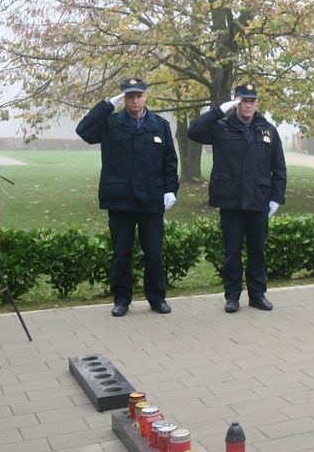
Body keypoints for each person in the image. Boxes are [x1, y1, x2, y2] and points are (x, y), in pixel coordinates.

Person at [75, 77, 179, 317]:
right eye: (129, 96)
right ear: (123, 99)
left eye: (138, 96)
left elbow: (169, 161)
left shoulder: (160, 125)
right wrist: (106, 106)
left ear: (145, 96)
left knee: (153, 252)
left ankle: (157, 298)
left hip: (151, 198)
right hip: (121, 199)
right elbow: (83, 131)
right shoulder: (110, 123)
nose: (135, 100)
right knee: (122, 252)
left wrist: (170, 189)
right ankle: (121, 299)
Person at [187, 83, 287, 313]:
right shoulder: (221, 126)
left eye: (252, 101)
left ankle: (257, 295)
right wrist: (219, 110)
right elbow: (193, 132)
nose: (248, 105)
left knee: (257, 250)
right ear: (236, 103)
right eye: (243, 101)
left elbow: (279, 167)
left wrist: (276, 197)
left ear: (257, 103)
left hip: (258, 199)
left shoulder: (268, 130)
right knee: (232, 252)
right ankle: (232, 297)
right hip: (231, 199)